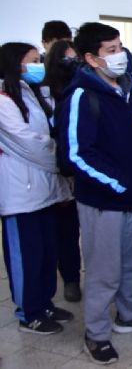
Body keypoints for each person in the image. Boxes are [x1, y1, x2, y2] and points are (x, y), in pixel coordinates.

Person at [58, 22, 132, 365]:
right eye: (111, 50)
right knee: (104, 271)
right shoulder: (81, 95)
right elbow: (75, 153)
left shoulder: (131, 89)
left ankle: (129, 316)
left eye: (121, 47)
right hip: (104, 202)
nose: (121, 55)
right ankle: (97, 332)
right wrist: (119, 183)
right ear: (91, 58)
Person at [0, 42, 74, 335]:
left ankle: (44, 303)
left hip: (44, 190)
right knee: (25, 256)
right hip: (20, 195)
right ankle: (27, 311)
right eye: (33, 60)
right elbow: (29, 143)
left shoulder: (28, 93)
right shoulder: (4, 100)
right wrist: (61, 157)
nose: (39, 64)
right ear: (16, 63)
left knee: (46, 252)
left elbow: (47, 134)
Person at [42, 40, 83, 302]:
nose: (72, 64)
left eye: (75, 59)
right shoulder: (43, 93)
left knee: (74, 229)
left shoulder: (79, 90)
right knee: (59, 234)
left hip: (76, 174)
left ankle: (73, 276)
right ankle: (69, 279)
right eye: (67, 60)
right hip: (51, 173)